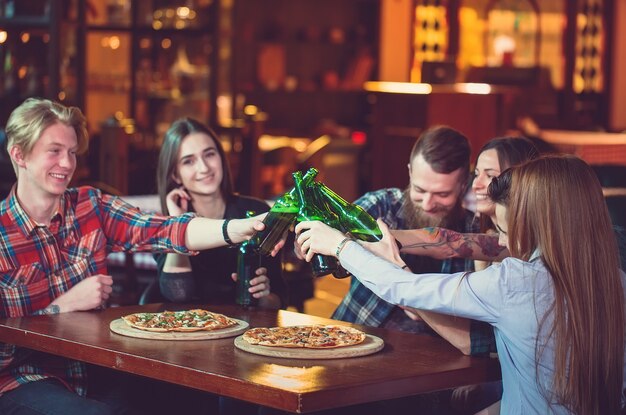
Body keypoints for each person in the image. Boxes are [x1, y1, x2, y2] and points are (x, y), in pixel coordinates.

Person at [296, 155, 626, 414]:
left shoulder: (516, 282)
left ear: (538, 222)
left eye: (504, 230)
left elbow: (401, 288)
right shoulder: (617, 282)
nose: (500, 241)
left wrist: (339, 245)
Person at [0, 98, 265, 414]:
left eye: (71, 152)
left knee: (188, 396)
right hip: (24, 381)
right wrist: (63, 307)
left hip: (96, 368)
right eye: (54, 151)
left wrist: (241, 227)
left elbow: (163, 229)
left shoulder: (89, 205)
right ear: (19, 154)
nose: (68, 163)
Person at [331, 125, 495, 357]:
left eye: (442, 194)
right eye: (419, 190)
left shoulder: (473, 234)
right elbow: (326, 236)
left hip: (432, 361)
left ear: (463, 184)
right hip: (351, 341)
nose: (428, 204)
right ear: (409, 172)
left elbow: (474, 332)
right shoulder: (382, 206)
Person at [154, 117, 286, 309]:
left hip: (247, 332)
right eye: (188, 161)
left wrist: (262, 296)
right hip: (187, 333)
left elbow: (279, 300)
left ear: (221, 158)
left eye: (209, 154)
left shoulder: (256, 212)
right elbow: (178, 293)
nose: (204, 168)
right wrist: (177, 222)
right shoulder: (162, 224)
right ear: (175, 174)